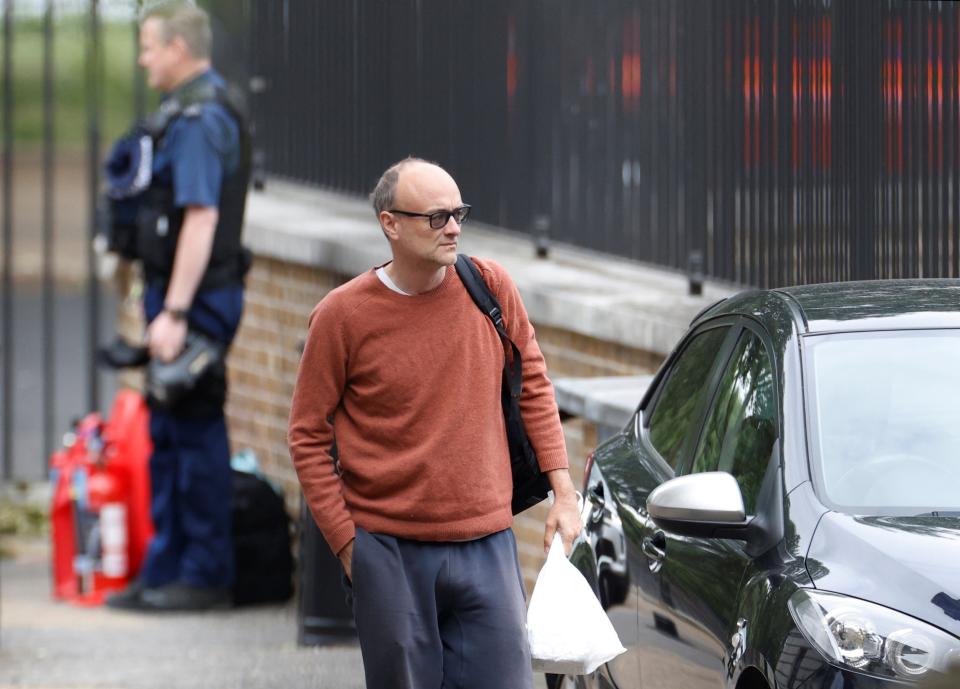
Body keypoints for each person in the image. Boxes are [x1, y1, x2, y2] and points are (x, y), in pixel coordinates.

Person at [288, 158, 582, 688]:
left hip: (487, 541)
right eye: (436, 216)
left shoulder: (489, 287)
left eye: (458, 213)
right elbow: (307, 434)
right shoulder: (341, 316)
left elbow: (533, 383)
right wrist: (348, 545)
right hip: (388, 547)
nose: (453, 227)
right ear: (390, 224)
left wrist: (563, 492)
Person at [107, 1, 250, 611]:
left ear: (179, 48)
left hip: (196, 299)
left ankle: (204, 573)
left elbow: (201, 215)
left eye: (149, 45)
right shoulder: (183, 112)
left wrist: (176, 313)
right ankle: (166, 569)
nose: (142, 58)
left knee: (192, 431)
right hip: (176, 294)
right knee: (166, 430)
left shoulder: (199, 119)